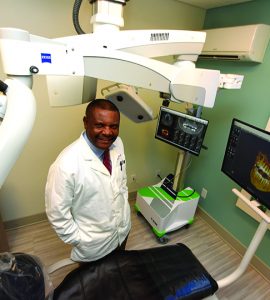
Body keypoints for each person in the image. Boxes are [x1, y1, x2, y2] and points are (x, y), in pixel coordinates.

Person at [45, 99, 131, 262]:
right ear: (86, 122)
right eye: (100, 125)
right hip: (94, 246)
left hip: (122, 231)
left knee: (119, 272)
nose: (107, 132)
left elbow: (122, 182)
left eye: (113, 126)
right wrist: (80, 241)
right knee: (95, 284)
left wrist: (124, 212)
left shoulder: (117, 144)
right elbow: (57, 213)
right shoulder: (66, 165)